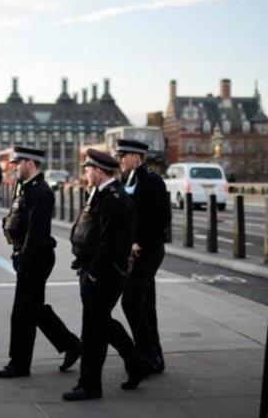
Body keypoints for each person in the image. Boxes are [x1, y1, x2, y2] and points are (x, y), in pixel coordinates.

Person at [63, 148, 147, 401]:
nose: (86, 173)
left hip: (103, 275)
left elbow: (109, 244)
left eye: (88, 169)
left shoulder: (113, 199)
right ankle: (137, 362)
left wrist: (94, 275)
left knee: (93, 331)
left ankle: (89, 385)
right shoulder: (100, 194)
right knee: (102, 323)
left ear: (99, 172)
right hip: (93, 269)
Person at [0, 146, 82, 379]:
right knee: (33, 308)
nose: (14, 166)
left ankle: (19, 365)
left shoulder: (40, 191)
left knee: (22, 312)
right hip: (26, 255)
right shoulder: (23, 187)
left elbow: (36, 231)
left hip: (35, 257)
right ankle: (71, 344)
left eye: (18, 163)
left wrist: (23, 259)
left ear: (30, 164)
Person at [115, 139, 171, 375]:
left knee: (131, 300)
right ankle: (155, 355)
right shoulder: (127, 179)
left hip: (148, 251)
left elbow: (162, 219)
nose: (120, 160)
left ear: (137, 157)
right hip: (133, 251)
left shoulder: (151, 180)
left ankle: (147, 353)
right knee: (146, 304)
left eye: (123, 156)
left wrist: (140, 242)